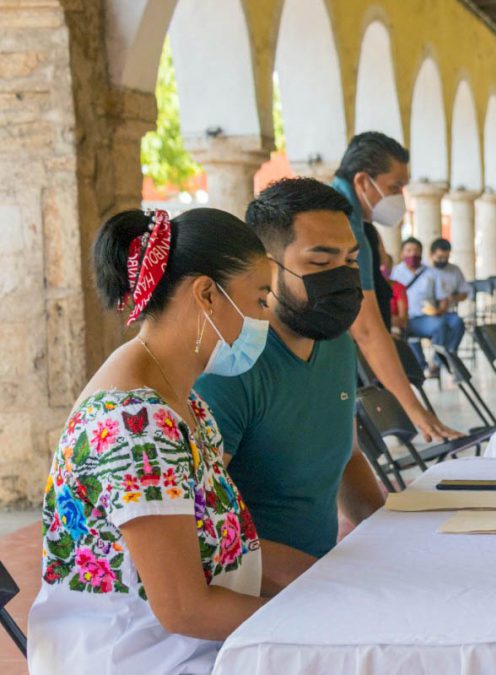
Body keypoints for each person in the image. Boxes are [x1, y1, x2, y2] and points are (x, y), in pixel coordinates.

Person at [29, 208, 279, 673]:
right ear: (207, 294)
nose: (266, 316)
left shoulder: (181, 403)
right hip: (142, 661)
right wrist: (304, 621)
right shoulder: (135, 424)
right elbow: (186, 608)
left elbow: (213, 546)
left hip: (191, 652)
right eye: (260, 299)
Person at [195, 178, 386, 582]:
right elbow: (203, 535)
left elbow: (347, 456)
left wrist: (391, 533)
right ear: (266, 267)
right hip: (257, 600)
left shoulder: (334, 343)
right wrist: (321, 584)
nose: (342, 278)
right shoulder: (231, 370)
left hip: (323, 580)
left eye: (350, 261)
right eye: (320, 264)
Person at [331, 131, 459, 441]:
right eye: (394, 187)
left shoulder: (345, 214)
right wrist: (415, 411)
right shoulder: (344, 223)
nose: (399, 197)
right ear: (363, 181)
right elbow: (366, 329)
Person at [390, 237, 467, 377]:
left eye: (416, 251)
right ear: (402, 253)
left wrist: (439, 311)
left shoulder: (431, 273)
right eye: (408, 250)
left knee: (455, 321)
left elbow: (442, 298)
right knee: (440, 325)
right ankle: (433, 363)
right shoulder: (395, 273)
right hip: (408, 318)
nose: (412, 254)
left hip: (429, 316)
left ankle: (439, 361)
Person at [428, 237, 471, 309]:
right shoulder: (423, 270)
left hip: (448, 311)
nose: (443, 260)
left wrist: (452, 298)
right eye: (440, 257)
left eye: (446, 258)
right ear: (431, 254)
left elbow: (464, 292)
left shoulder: (454, 270)